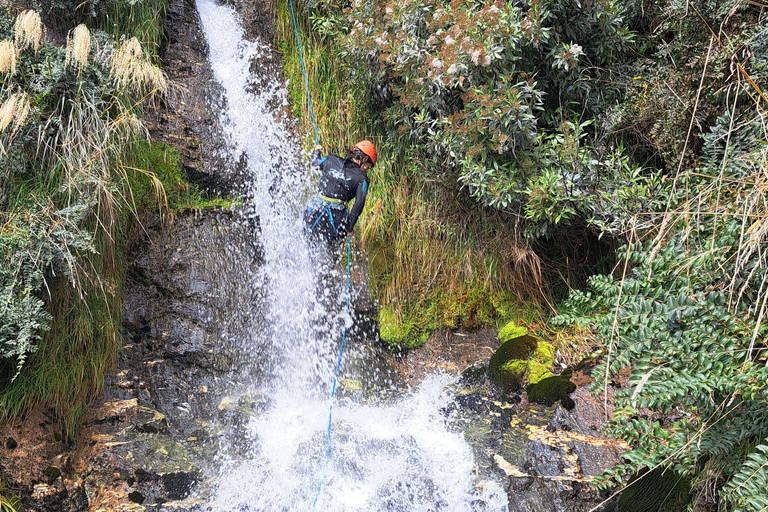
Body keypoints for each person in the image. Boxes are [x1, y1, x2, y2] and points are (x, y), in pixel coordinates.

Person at [304, 140, 376, 253]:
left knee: (307, 244)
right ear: (365, 159)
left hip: (315, 209)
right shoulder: (362, 179)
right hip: (336, 218)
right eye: (369, 166)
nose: (367, 170)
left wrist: (317, 152)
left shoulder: (330, 159)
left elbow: (315, 164)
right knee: (331, 252)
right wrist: (349, 227)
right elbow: (359, 203)